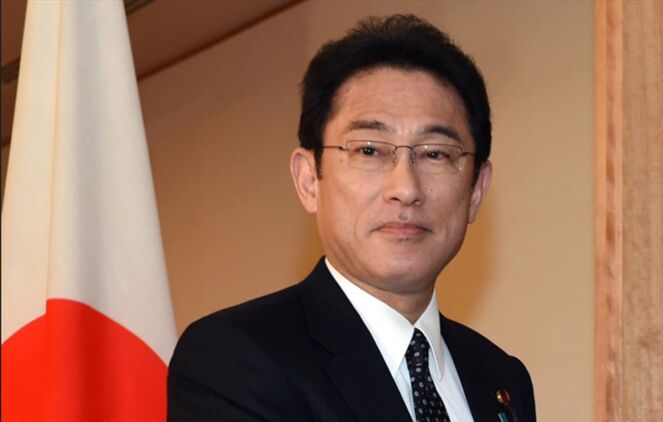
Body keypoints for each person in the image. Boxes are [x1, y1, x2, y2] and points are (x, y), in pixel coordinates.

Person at [168, 14, 536, 422]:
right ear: (309, 180)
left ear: (476, 190)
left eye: (435, 153)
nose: (406, 188)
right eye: (369, 150)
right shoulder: (231, 360)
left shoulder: (501, 378)